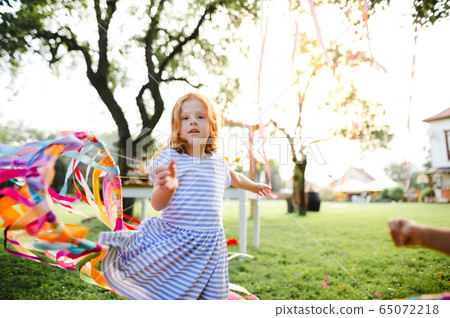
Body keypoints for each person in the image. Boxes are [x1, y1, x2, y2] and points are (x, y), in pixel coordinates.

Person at [99, 92, 271, 300]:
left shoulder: (218, 162)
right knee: (175, 292)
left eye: (200, 117)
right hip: (177, 240)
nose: (193, 122)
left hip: (210, 244)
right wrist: (167, 188)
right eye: (186, 118)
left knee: (212, 296)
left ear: (212, 125)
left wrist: (254, 186)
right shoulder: (171, 158)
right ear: (178, 128)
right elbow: (156, 204)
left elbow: (237, 179)